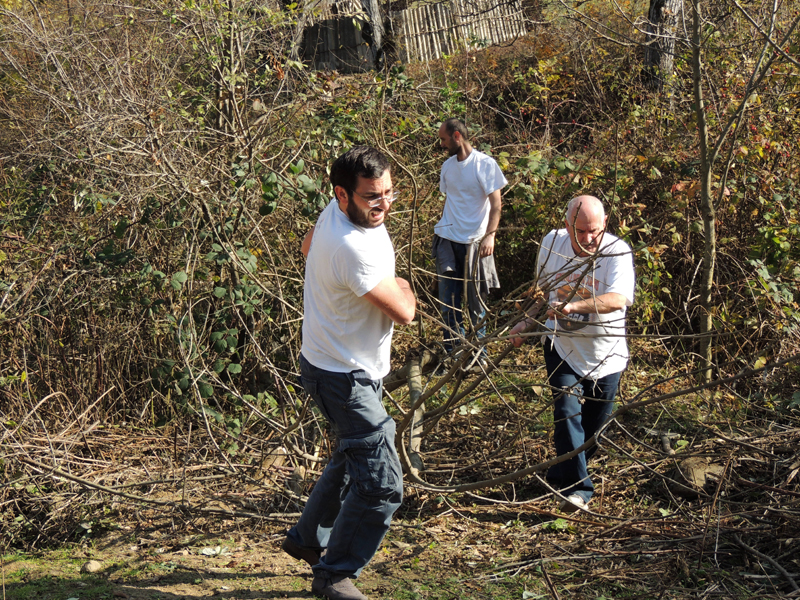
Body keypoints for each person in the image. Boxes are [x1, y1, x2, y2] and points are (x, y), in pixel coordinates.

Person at [283, 146, 416, 600]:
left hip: (337, 363)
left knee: (350, 457)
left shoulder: (332, 215)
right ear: (342, 194)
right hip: (343, 376)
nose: (384, 205)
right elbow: (404, 312)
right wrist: (402, 283)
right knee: (381, 483)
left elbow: (305, 249)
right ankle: (334, 575)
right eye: (372, 198)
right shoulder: (352, 246)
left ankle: (307, 539)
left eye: (389, 193)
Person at [510, 195, 635, 512]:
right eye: (581, 232)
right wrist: (526, 321)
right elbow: (542, 290)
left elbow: (618, 298)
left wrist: (574, 306)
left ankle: (562, 470)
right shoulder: (553, 242)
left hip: (606, 354)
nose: (590, 238)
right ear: (567, 226)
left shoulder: (616, 251)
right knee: (567, 414)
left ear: (605, 223)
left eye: (595, 230)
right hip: (562, 347)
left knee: (593, 430)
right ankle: (580, 492)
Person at [433, 118, 507, 364]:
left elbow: (496, 205)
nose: (441, 144)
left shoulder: (485, 165)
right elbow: (451, 199)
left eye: (444, 139)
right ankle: (452, 356)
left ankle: (478, 357)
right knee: (449, 304)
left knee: (476, 303)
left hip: (475, 242)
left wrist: (490, 236)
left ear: (456, 137)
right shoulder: (447, 167)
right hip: (447, 239)